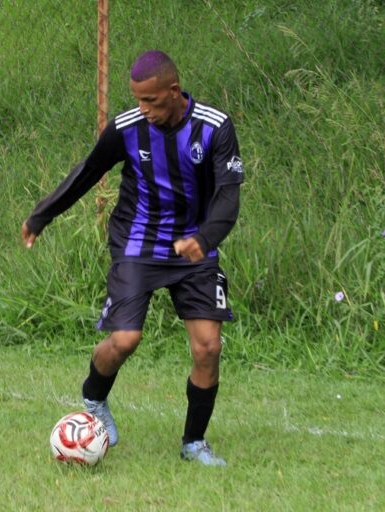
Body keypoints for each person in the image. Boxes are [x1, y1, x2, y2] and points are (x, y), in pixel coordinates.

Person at [21, 50, 243, 466]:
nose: (144, 110)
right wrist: (41, 215)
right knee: (125, 340)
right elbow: (86, 172)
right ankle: (94, 397)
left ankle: (193, 443)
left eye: (152, 102)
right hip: (137, 244)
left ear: (174, 92)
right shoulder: (127, 129)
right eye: (138, 101)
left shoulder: (214, 127)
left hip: (195, 246)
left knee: (208, 348)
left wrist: (205, 236)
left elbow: (229, 195)